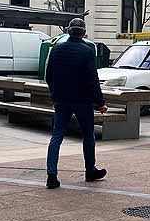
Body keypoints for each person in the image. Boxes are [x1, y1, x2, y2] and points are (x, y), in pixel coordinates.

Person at [44, 18, 106, 189]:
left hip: (61, 100)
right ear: (83, 33)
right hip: (82, 100)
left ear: (68, 31)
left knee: (57, 136)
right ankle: (90, 170)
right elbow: (92, 79)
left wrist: (54, 94)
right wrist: (100, 102)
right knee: (88, 135)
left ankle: (52, 175)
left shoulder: (56, 49)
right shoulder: (87, 51)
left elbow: (48, 76)